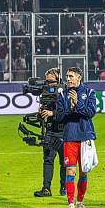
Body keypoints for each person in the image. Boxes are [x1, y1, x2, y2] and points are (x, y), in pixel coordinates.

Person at [55, 67, 97, 208]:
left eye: (71, 76)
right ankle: (71, 204)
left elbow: (90, 113)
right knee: (70, 171)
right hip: (70, 137)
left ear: (79, 77)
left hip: (85, 137)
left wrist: (77, 103)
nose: (68, 79)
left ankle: (80, 202)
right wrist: (71, 108)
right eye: (67, 76)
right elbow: (59, 117)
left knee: (84, 172)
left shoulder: (90, 93)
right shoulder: (62, 95)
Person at [34, 68, 66, 198]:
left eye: (51, 82)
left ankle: (64, 187)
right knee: (48, 160)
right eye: (47, 82)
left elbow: (67, 111)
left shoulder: (65, 93)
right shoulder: (45, 95)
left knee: (65, 161)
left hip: (63, 132)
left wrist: (52, 113)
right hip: (50, 131)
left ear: (58, 80)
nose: (48, 85)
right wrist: (41, 114)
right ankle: (46, 188)